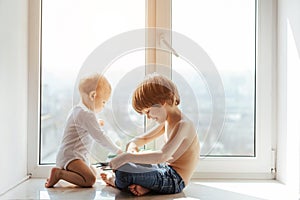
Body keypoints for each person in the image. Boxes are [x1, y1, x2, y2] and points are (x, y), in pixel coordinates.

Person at [101, 73, 200, 196]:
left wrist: (128, 157)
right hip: (163, 168)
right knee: (129, 162)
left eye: (148, 111)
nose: (148, 117)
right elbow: (138, 140)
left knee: (123, 173)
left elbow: (163, 156)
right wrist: (132, 149)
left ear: (161, 102)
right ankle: (147, 186)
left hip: (175, 180)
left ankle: (115, 181)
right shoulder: (167, 122)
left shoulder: (183, 125)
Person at [45, 73, 122, 188]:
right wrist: (117, 151)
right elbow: (100, 137)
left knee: (95, 173)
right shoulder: (87, 115)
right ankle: (59, 173)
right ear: (93, 96)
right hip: (71, 157)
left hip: (71, 155)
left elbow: (82, 127)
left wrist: (96, 123)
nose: (104, 106)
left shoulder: (77, 110)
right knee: (89, 180)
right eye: (103, 102)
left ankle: (64, 173)